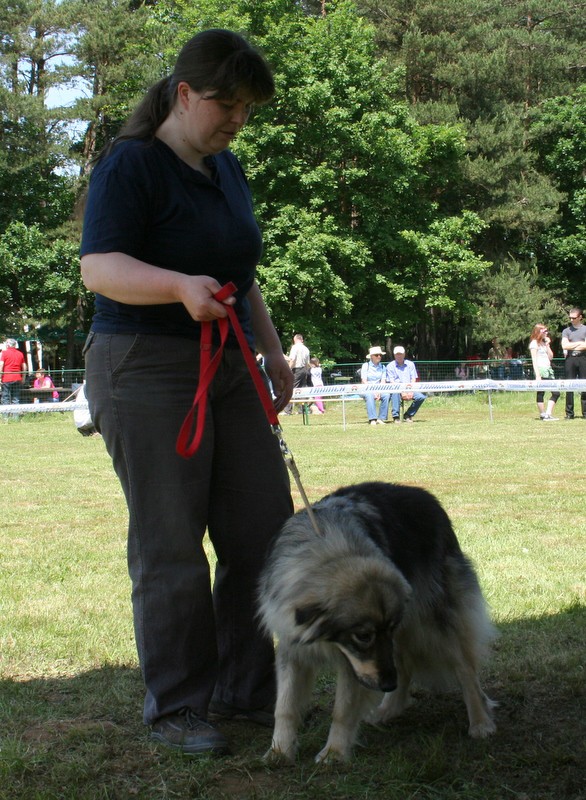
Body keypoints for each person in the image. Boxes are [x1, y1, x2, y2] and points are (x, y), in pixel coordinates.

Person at [80, 29, 294, 757]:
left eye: (247, 109)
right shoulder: (130, 165)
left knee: (262, 529)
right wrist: (175, 287)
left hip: (230, 363)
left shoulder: (227, 170)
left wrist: (272, 352)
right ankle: (177, 706)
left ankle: (246, 690)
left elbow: (242, 271)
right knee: (171, 543)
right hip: (143, 364)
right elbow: (100, 269)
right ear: (182, 94)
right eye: (226, 104)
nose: (237, 119)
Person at [386, 346, 426, 423]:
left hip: (410, 388)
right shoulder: (390, 366)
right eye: (397, 354)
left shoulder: (410, 364)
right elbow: (392, 381)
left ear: (404, 354)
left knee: (421, 397)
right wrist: (402, 391)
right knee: (395, 393)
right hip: (396, 389)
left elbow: (413, 379)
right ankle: (396, 416)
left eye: (400, 354)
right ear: (394, 355)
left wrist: (411, 391)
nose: (399, 356)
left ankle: (408, 414)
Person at [528, 324, 559, 420]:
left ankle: (547, 413)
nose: (547, 333)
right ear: (539, 332)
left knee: (555, 393)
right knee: (543, 392)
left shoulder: (543, 343)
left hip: (548, 369)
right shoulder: (534, 343)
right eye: (544, 331)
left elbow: (551, 357)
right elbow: (534, 360)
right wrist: (537, 375)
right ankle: (543, 414)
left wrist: (547, 345)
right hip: (541, 370)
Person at [561, 307, 586, 419]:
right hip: (570, 359)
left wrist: (573, 344)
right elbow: (565, 346)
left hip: (583, 359)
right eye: (570, 318)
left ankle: (585, 413)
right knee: (568, 386)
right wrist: (580, 343)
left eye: (574, 318)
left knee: (584, 386)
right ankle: (569, 413)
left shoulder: (585, 329)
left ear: (580, 317)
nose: (571, 320)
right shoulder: (566, 331)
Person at [360, 346, 389, 425]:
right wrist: (373, 391)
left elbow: (383, 381)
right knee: (369, 395)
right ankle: (372, 419)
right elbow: (364, 381)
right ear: (371, 356)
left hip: (379, 389)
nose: (379, 357)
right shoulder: (365, 366)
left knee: (386, 395)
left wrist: (379, 391)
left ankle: (381, 418)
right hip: (366, 389)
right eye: (376, 355)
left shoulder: (383, 367)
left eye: (380, 355)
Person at [283, 333, 310, 414]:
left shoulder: (295, 347)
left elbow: (292, 360)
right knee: (302, 390)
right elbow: (307, 363)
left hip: (296, 370)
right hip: (304, 370)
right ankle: (303, 410)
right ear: (301, 340)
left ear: (295, 340)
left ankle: (288, 411)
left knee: (290, 389)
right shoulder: (306, 349)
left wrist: (288, 369)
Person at [0, 339, 27, 406]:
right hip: (17, 378)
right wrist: (23, 377)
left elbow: (1, 365)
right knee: (16, 398)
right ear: (15, 345)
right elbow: (24, 366)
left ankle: (6, 415)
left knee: (5, 397)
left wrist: (0, 377)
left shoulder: (4, 353)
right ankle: (15, 416)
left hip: (6, 377)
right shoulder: (20, 353)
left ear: (7, 345)